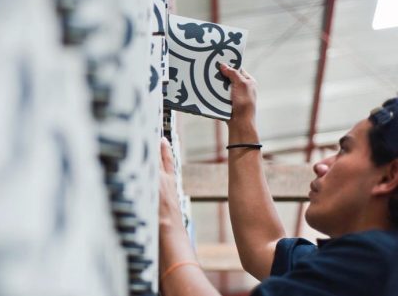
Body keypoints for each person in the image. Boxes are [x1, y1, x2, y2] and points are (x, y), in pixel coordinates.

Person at [158, 63, 398, 296]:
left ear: (389, 176)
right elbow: (263, 246)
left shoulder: (378, 261)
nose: (321, 165)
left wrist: (168, 219)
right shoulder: (357, 268)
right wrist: (242, 121)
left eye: (345, 150)